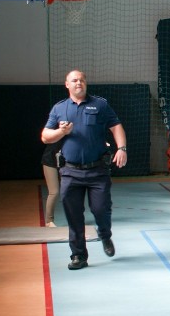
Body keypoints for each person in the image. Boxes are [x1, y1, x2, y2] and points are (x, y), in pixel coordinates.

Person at [41, 70, 127, 270]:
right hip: (70, 172)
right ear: (67, 85)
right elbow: (45, 136)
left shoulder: (100, 105)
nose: (78, 82)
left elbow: (116, 126)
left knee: (100, 209)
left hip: (97, 171)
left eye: (81, 79)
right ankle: (79, 255)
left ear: (85, 83)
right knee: (74, 216)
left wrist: (121, 148)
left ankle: (105, 235)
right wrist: (61, 131)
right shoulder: (59, 109)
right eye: (74, 80)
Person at [41, 139, 64, 227]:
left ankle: (76, 218)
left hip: (66, 164)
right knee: (54, 192)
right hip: (50, 162)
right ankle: (49, 221)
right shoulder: (55, 128)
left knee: (70, 191)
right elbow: (45, 139)